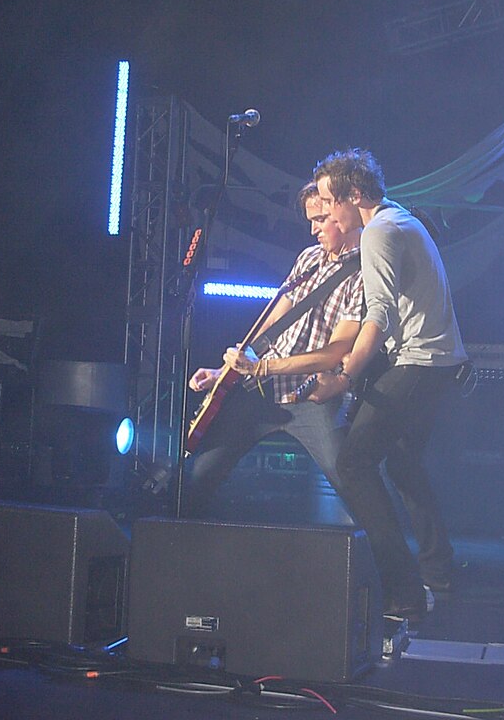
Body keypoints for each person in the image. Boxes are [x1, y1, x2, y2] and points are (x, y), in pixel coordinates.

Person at [312, 148, 468, 622]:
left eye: (327, 200)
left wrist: (344, 376)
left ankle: (402, 589)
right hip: (439, 364)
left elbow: (378, 312)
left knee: (354, 463)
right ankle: (437, 571)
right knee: (401, 464)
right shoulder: (398, 218)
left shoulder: (380, 230)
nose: (322, 210)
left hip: (420, 364)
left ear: (353, 196)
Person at [185, 182, 364, 511]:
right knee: (197, 478)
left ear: (343, 216)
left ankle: (392, 557)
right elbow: (269, 326)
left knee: (353, 485)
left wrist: (262, 367)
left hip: (313, 397)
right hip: (261, 388)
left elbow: (337, 350)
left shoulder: (365, 271)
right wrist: (223, 372)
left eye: (320, 219)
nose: (312, 230)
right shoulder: (308, 258)